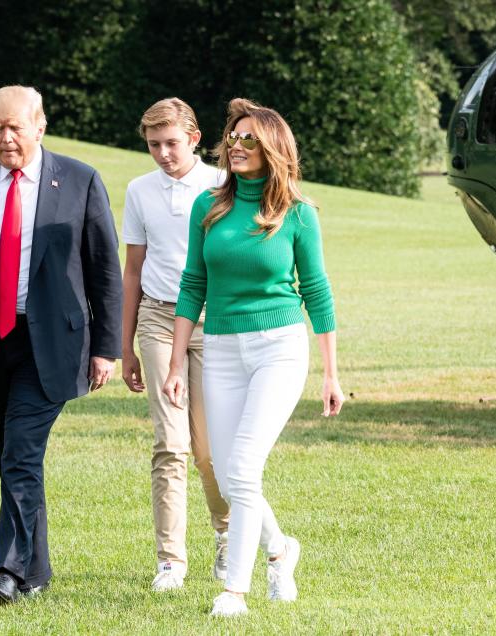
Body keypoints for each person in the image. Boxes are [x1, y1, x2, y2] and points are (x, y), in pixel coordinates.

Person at [0, 85, 123, 604]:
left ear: (40, 125)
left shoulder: (80, 180)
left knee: (20, 453)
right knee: (13, 456)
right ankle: (37, 569)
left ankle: (6, 571)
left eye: (15, 127)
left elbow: (105, 271)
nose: (5, 138)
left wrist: (107, 347)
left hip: (51, 343)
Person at [162, 98, 343, 617]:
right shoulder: (208, 207)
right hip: (219, 347)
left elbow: (317, 291)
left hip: (279, 349)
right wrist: (176, 363)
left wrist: (331, 373)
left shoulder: (299, 214)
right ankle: (282, 549)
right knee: (226, 468)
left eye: (248, 140)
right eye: (233, 138)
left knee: (241, 466)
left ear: (272, 148)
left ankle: (234, 591)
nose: (236, 146)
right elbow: (192, 284)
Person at [121, 98, 230, 592]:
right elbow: (133, 271)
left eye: (170, 143)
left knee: (208, 449)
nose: (163, 154)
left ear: (193, 137)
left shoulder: (221, 186)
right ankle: (171, 561)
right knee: (171, 443)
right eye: (153, 145)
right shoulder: (138, 191)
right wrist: (125, 346)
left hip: (212, 323)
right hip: (158, 320)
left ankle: (228, 537)